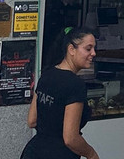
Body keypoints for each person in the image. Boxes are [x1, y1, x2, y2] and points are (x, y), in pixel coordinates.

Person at [23, 27, 100, 159]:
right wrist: (91, 154)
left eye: (94, 48)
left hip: (34, 151)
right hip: (59, 153)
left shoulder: (46, 75)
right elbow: (70, 138)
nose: (93, 53)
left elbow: (32, 120)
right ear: (71, 49)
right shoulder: (75, 84)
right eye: (88, 49)